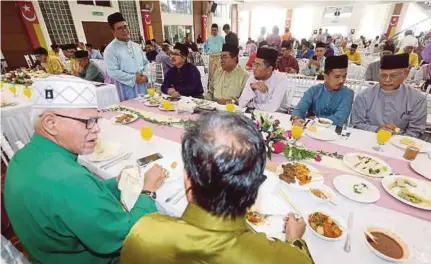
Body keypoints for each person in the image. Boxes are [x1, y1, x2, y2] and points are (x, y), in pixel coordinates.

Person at [4, 76, 166, 264]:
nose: (97, 129)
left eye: (96, 120)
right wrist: (148, 192)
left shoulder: (25, 156)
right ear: (50, 123)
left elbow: (81, 197)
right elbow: (130, 236)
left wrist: (116, 182)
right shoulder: (68, 180)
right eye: (88, 121)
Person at [120, 112, 314, 264]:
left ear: (187, 179)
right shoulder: (286, 259)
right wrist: (296, 240)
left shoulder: (144, 234)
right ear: (254, 191)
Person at [351, 53, 427, 138]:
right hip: (367, 139)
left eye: (393, 76)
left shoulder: (417, 99)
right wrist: (377, 129)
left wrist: (395, 136)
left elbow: (416, 131)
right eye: (383, 75)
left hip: (399, 145)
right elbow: (356, 124)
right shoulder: (364, 96)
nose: (387, 80)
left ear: (406, 73)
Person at [292, 55, 353, 127]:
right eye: (337, 77)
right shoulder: (314, 90)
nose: (341, 80)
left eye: (344, 76)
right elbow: (299, 109)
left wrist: (315, 120)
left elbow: (339, 119)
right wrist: (296, 118)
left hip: (333, 133)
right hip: (311, 130)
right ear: (325, 76)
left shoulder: (347, 94)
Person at [104, 12, 150, 101]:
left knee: (146, 108)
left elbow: (146, 63)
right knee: (131, 112)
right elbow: (112, 71)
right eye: (119, 28)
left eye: (125, 26)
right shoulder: (110, 50)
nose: (124, 30)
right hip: (125, 88)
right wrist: (133, 78)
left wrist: (145, 75)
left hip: (142, 85)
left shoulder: (136, 46)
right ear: (113, 31)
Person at [239, 47, 293, 112]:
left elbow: (271, 108)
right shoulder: (253, 77)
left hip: (279, 116)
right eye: (254, 64)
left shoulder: (281, 79)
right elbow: (241, 103)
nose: (253, 68)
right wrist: (251, 86)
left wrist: (251, 105)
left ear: (269, 69)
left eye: (258, 65)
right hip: (255, 113)